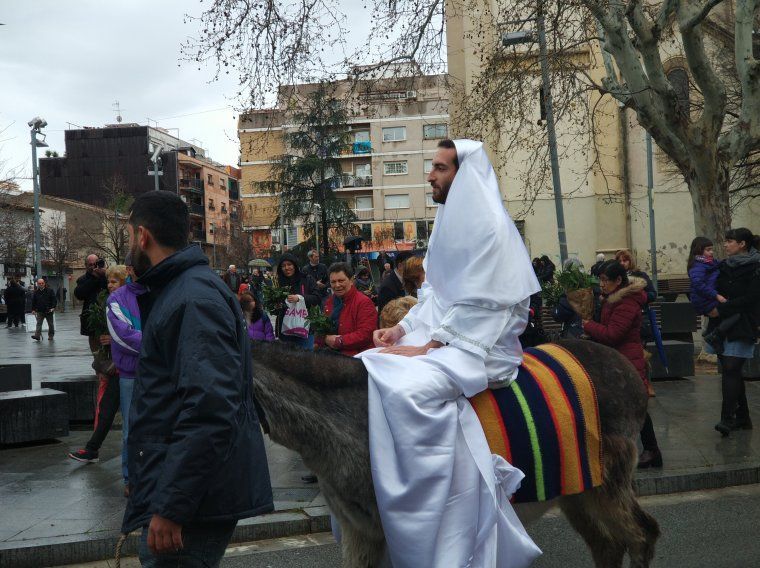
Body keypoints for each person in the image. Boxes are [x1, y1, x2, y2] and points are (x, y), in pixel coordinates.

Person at [360, 139, 541, 567]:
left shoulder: (494, 230)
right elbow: (436, 295)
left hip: (483, 348)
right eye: (433, 168)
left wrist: (429, 346)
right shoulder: (445, 223)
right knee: (367, 365)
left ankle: (445, 499)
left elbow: (490, 306)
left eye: (440, 168)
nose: (430, 176)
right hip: (443, 336)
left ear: (463, 174)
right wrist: (401, 329)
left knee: (410, 390)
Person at [122, 190, 273, 566]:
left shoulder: (191, 299)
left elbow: (209, 409)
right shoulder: (182, 291)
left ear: (143, 236)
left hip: (194, 504)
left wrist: (172, 505)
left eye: (128, 236)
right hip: (190, 493)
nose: (129, 245)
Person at [582, 261, 662, 469]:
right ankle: (624, 451)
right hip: (617, 360)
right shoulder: (612, 299)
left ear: (618, 280)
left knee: (636, 408)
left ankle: (652, 451)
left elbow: (613, 334)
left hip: (627, 361)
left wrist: (589, 325)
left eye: (605, 280)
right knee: (625, 407)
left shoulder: (627, 302)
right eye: (600, 280)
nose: (602, 284)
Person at [68, 265, 131, 476]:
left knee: (129, 420)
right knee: (106, 410)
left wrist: (113, 339)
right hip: (117, 368)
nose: (110, 285)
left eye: (115, 281)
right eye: (109, 281)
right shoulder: (108, 300)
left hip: (129, 369)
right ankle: (92, 449)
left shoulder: (129, 300)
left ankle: (130, 470)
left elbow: (132, 333)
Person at [704, 228, 760, 436]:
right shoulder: (723, 266)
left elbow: (751, 299)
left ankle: (727, 419)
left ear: (742, 244)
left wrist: (722, 308)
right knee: (732, 371)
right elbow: (712, 289)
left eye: (730, 241)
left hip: (743, 324)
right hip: (720, 326)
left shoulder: (756, 267)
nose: (725, 245)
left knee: (730, 367)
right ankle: (743, 417)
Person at [687, 237, 735, 354]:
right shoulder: (697, 265)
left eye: (712, 249)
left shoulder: (708, 262)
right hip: (705, 300)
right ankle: (714, 335)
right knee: (736, 311)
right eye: (708, 250)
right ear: (699, 251)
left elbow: (717, 265)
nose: (711, 252)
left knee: (724, 314)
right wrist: (716, 295)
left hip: (708, 299)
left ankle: (710, 332)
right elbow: (698, 284)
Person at [321, 262, 377, 357]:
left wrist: (339, 341)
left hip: (357, 359)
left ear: (351, 280)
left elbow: (366, 334)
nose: (337, 285)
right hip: (332, 358)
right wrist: (322, 339)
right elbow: (321, 329)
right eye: (333, 282)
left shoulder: (364, 302)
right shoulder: (329, 302)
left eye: (341, 280)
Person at [274, 252, 320, 349]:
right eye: (283, 266)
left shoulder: (307, 279)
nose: (286, 268)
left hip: (305, 328)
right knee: (287, 360)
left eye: (289, 264)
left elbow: (317, 298)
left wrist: (300, 298)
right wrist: (276, 306)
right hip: (285, 330)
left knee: (306, 360)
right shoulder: (277, 283)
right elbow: (273, 307)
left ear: (295, 265)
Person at [75, 254, 108, 353]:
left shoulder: (106, 276)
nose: (93, 266)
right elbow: (79, 294)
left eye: (95, 263)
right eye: (90, 264)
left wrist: (105, 274)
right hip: (92, 321)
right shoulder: (83, 279)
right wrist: (94, 278)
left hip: (107, 318)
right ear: (86, 265)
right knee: (97, 354)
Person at [376, 251, 413, 316]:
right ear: (400, 266)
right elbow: (386, 316)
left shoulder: (407, 280)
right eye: (412, 266)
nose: (414, 269)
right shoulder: (387, 287)